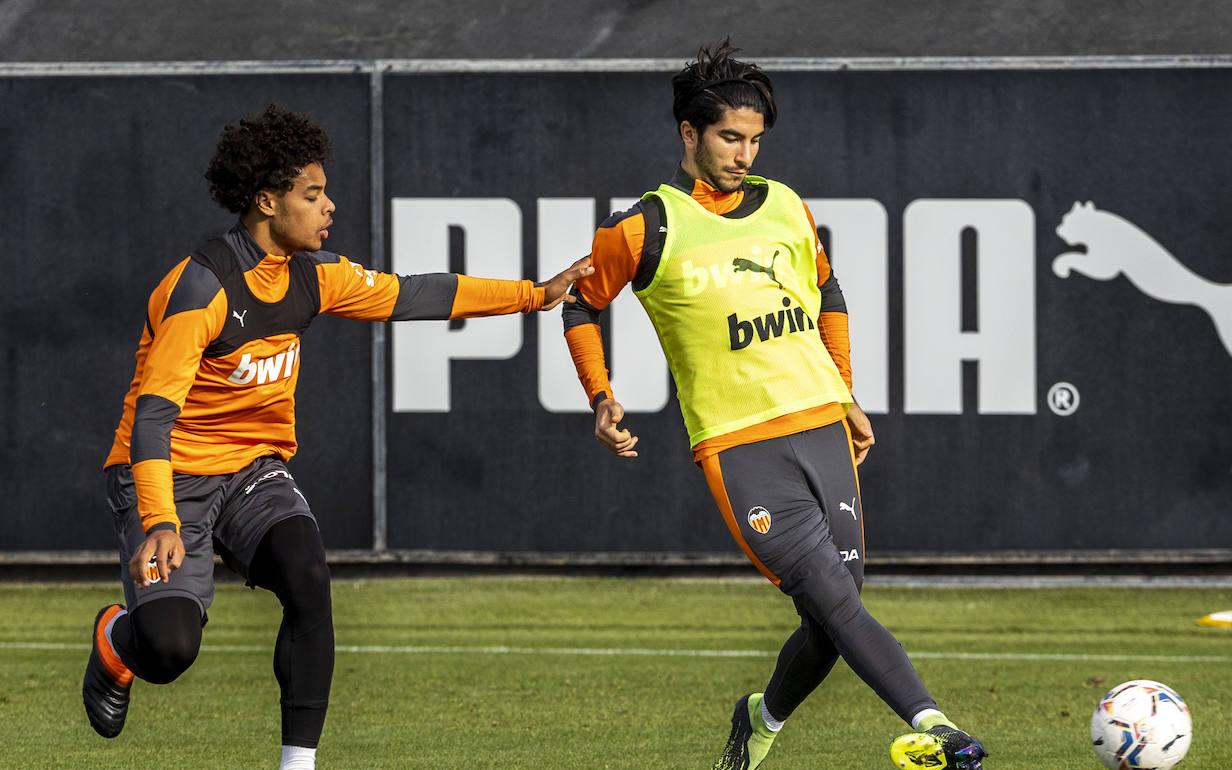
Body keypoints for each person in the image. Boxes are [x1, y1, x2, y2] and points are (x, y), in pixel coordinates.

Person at [82, 104, 592, 770]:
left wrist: (533, 293)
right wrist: (158, 519)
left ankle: (300, 766)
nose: (330, 206)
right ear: (267, 202)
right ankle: (120, 643)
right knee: (171, 651)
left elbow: (414, 294)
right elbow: (152, 420)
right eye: (312, 194)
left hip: (250, 472)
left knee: (309, 576)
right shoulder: (202, 290)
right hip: (165, 475)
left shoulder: (313, 276)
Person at [561, 41, 987, 770]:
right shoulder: (642, 227)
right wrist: (600, 396)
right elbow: (580, 304)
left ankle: (761, 718)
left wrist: (845, 392)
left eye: (754, 140)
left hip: (822, 425)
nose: (744, 153)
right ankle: (937, 724)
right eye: (730, 136)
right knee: (831, 595)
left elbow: (828, 292)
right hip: (740, 445)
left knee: (832, 614)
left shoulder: (786, 204)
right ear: (689, 133)